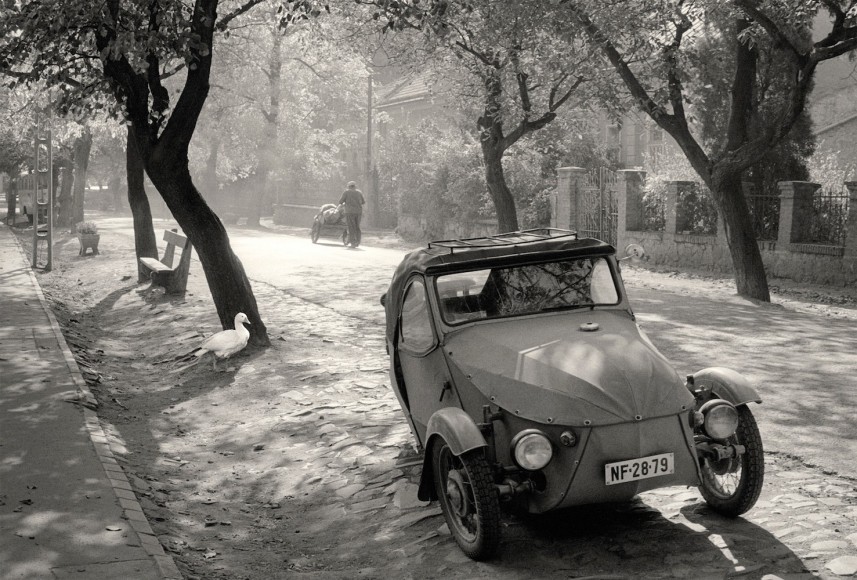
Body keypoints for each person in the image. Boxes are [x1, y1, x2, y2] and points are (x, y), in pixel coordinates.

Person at [338, 181, 365, 247]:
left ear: (349, 186)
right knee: (357, 227)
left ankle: (353, 242)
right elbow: (363, 202)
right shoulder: (359, 192)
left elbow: (340, 201)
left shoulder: (346, 192)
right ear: (354, 186)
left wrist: (345, 203)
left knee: (351, 227)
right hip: (358, 212)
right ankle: (358, 241)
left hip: (350, 212)